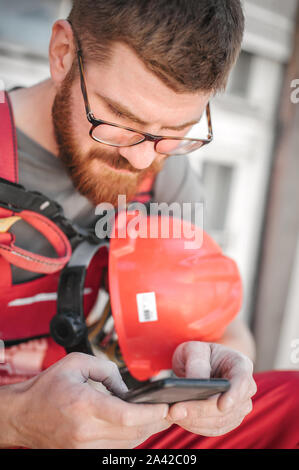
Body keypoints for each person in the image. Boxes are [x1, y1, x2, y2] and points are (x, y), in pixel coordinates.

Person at [0, 0, 298, 449]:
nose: (142, 159)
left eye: (174, 131)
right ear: (62, 52)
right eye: (120, 120)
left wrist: (226, 378)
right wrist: (18, 421)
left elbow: (227, 327)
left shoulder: (164, 176)